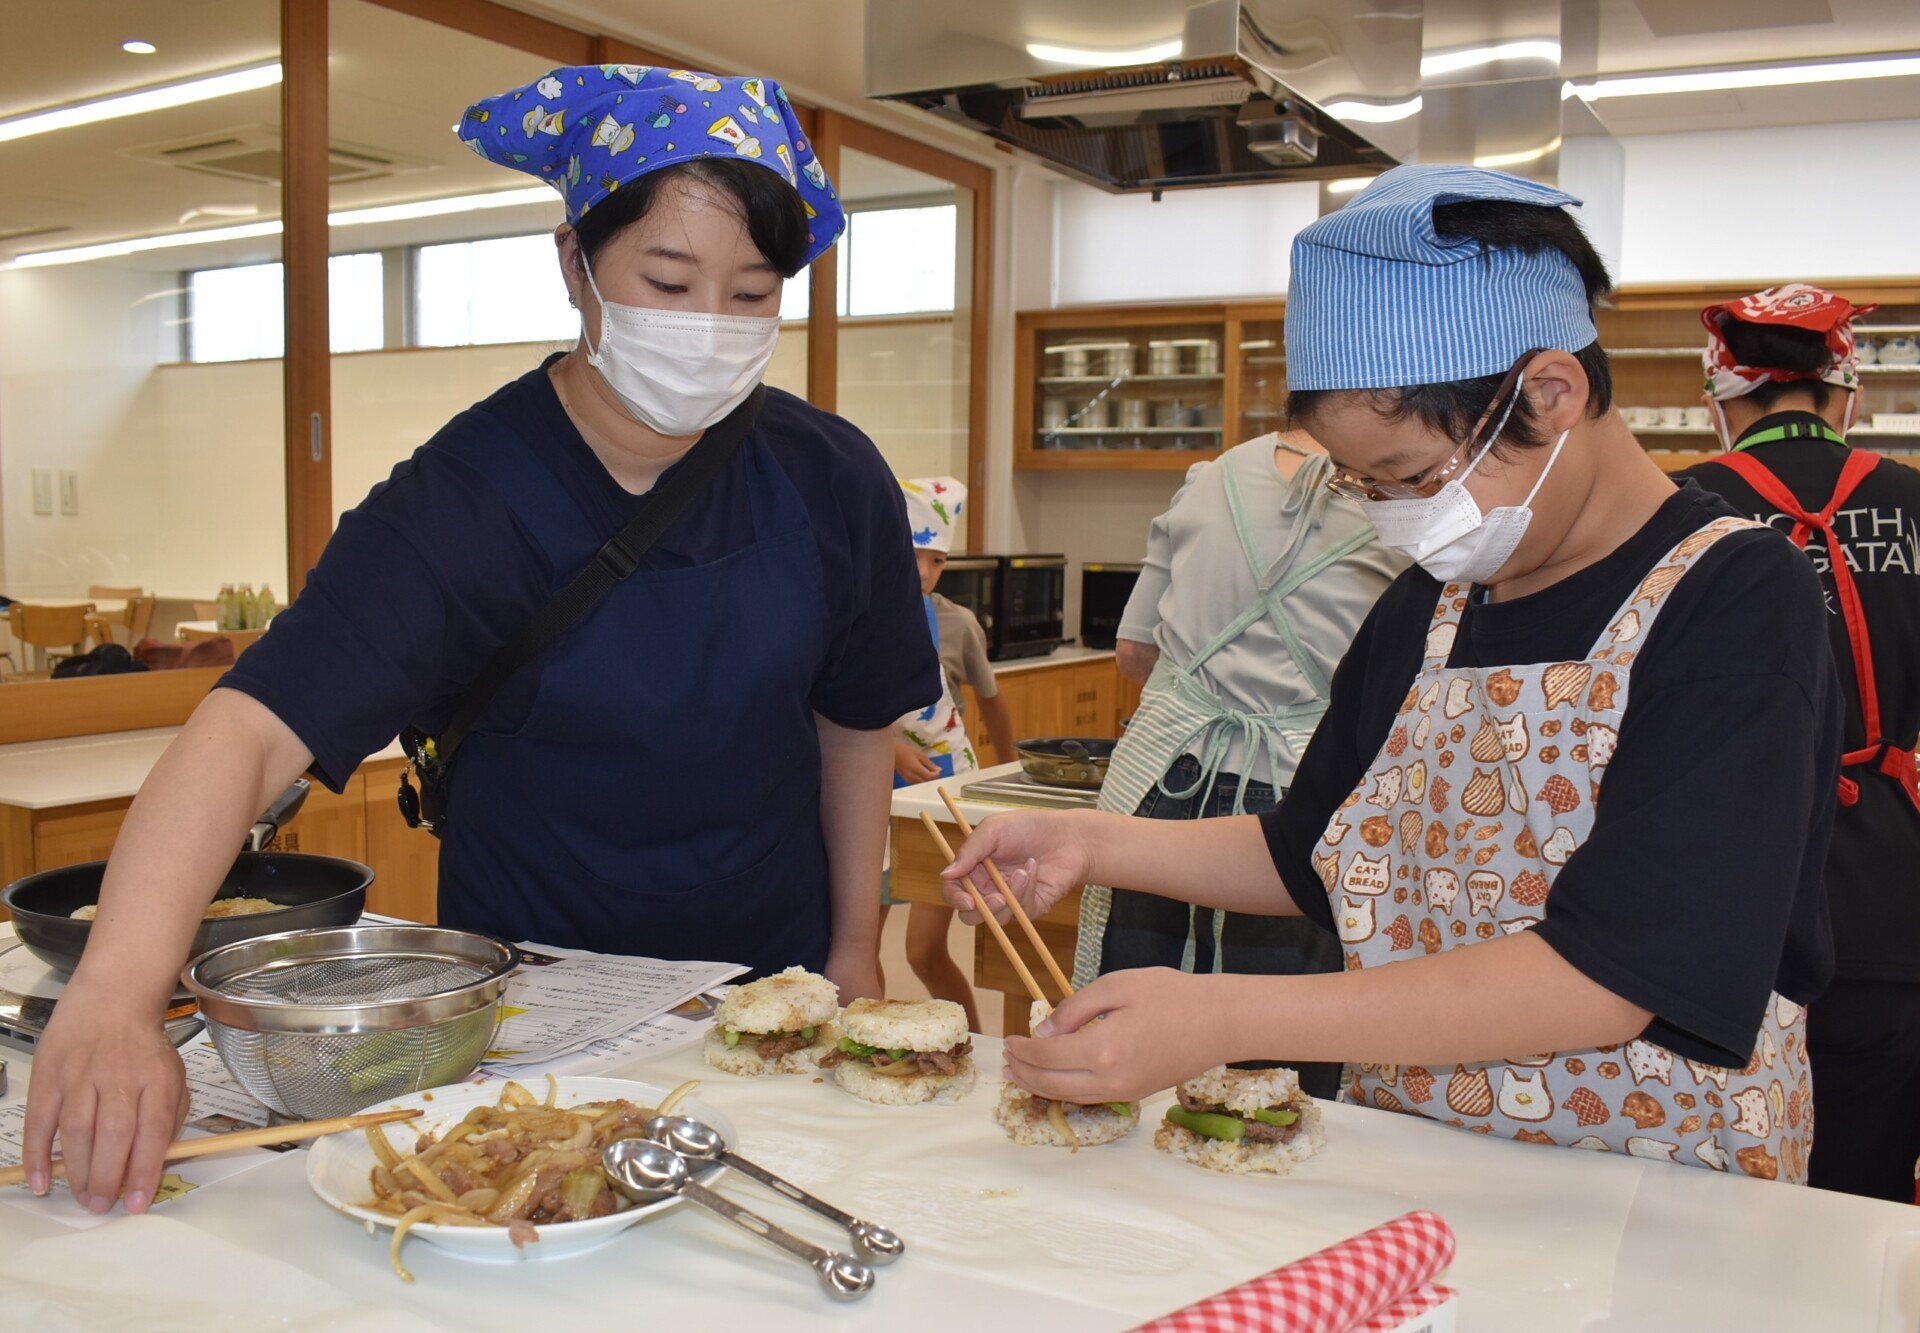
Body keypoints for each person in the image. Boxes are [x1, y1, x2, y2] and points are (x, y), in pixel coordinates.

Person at [24, 66, 938, 1215]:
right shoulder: (467, 498)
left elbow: (854, 728)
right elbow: (250, 730)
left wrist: (854, 951)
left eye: (752, 294)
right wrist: (114, 995)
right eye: (667, 281)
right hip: (536, 1012)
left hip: (771, 992)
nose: (708, 326)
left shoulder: (829, 475)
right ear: (574, 263)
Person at [941, 164, 1840, 1183]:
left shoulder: (1735, 599)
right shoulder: (1432, 605)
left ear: (1552, 393)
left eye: (1414, 477)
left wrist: (1223, 1014)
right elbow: (1308, 849)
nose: (1398, 520)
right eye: (1366, 488)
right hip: (1412, 1151)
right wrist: (1092, 841)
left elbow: (1617, 970)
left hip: (1649, 1173)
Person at [1674, 285, 1920, 1202]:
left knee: (1732, 1179)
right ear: (1845, 393)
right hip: (1893, 890)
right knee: (1870, 1181)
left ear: (1721, 400)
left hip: (1737, 892)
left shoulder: (1681, 507)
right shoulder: (1914, 500)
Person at [1085, 429, 1405, 1099]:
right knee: (1280, 1064)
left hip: (1163, 782)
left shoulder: (1209, 478)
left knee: (1129, 1028)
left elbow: (1135, 654)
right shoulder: (1406, 501)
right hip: (1301, 797)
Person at [890, 476, 985, 1030]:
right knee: (855, 945)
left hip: (943, 791)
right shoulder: (858, 615)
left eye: (937, 561)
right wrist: (889, 748)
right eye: (913, 557)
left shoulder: (954, 621)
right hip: (875, 795)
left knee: (923, 951)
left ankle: (973, 1045)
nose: (924, 573)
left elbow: (991, 700)